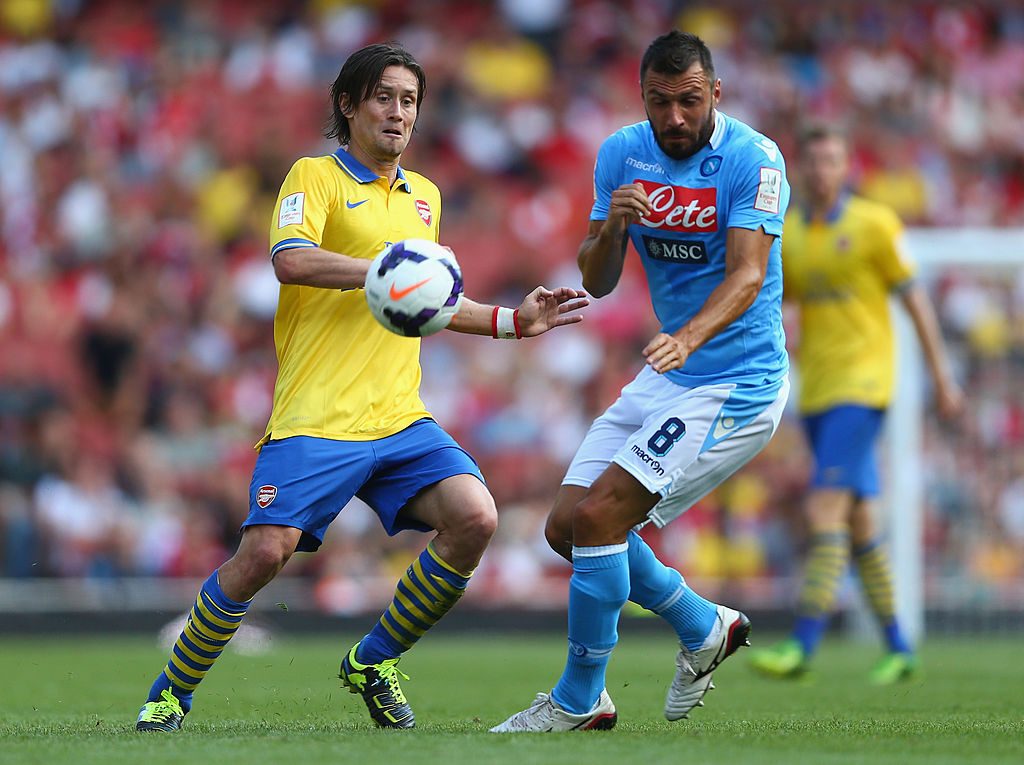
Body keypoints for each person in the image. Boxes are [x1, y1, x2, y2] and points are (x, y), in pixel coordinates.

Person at [135, 42, 588, 733]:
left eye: (409, 100)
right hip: (317, 415)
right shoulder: (313, 176)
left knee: (477, 516)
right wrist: (383, 266)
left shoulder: (426, 199)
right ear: (348, 104)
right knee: (263, 554)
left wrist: (512, 321)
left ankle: (374, 659)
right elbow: (291, 261)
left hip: (398, 414)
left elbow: (427, 297)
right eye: (384, 97)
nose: (398, 112)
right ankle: (173, 688)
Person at [491, 31, 791, 733]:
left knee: (600, 518)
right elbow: (596, 277)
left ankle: (579, 698)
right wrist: (613, 228)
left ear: (714, 94)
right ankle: (701, 623)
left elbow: (748, 273)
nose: (676, 117)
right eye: (661, 102)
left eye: (689, 101)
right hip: (670, 376)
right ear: (644, 98)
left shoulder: (755, 158)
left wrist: (686, 336)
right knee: (567, 528)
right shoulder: (623, 154)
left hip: (736, 383)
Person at [748, 123, 963, 684]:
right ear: (800, 171)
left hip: (863, 388)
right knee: (862, 524)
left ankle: (802, 644)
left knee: (825, 510)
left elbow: (915, 303)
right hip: (817, 391)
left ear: (846, 168)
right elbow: (771, 299)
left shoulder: (874, 225)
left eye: (832, 161)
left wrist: (942, 378)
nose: (821, 171)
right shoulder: (789, 234)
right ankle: (900, 646)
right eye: (812, 162)